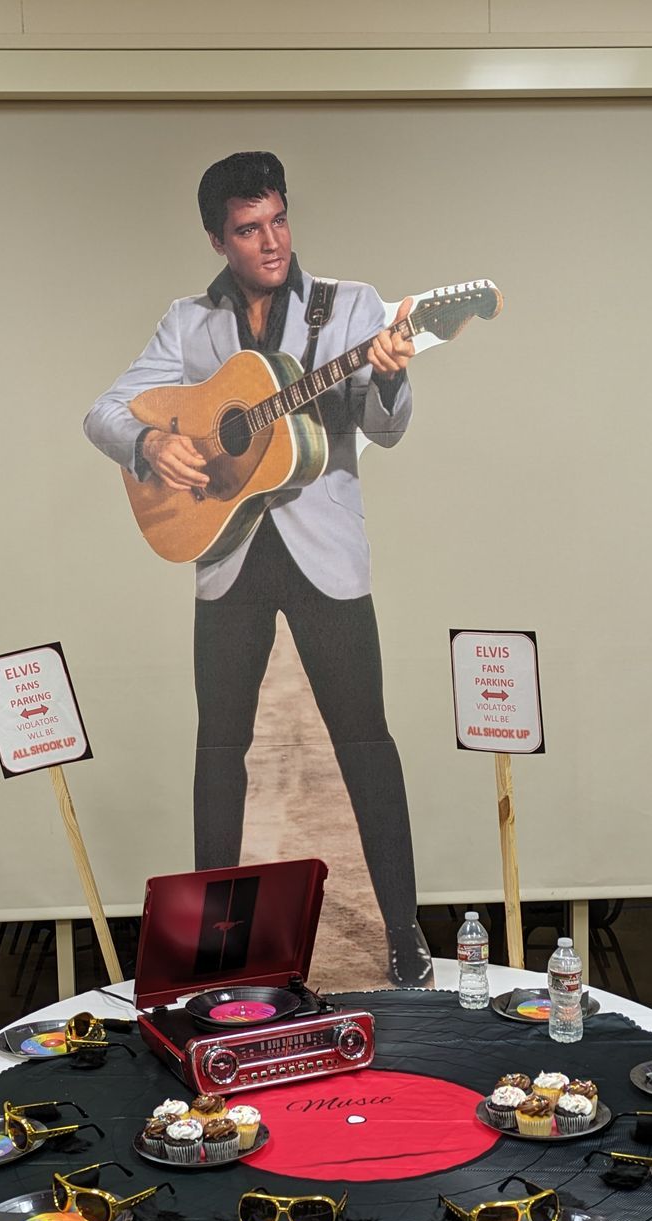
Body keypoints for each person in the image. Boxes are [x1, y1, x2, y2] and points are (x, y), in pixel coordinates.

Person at [84, 150, 432, 986]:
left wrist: (389, 379)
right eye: (249, 229)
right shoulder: (187, 323)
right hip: (227, 553)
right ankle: (214, 946)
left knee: (366, 742)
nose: (271, 241)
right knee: (219, 751)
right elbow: (103, 412)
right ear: (218, 239)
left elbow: (385, 429)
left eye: (278, 220)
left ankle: (406, 934)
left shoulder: (351, 307)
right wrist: (150, 441)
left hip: (325, 557)